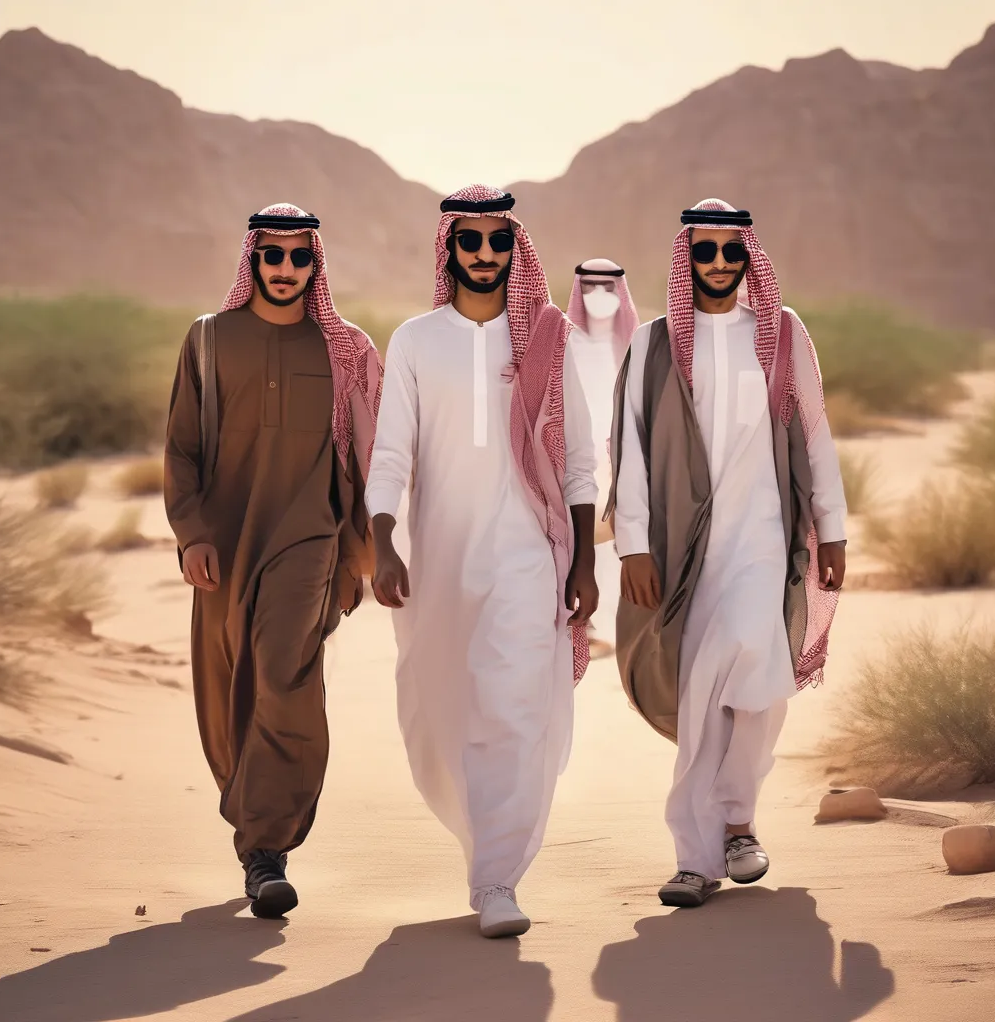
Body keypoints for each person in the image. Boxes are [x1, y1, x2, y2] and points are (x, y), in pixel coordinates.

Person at [365, 185, 598, 938]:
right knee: (440, 714)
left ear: (514, 249)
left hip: (530, 552)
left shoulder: (547, 341)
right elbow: (391, 452)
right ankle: (480, 845)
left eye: (500, 242)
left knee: (512, 704)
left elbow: (582, 462)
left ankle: (496, 878)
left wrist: (585, 562)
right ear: (450, 249)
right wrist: (382, 541)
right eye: (471, 242)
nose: (486, 255)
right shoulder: (414, 340)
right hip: (437, 562)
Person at [607, 198, 847, 908]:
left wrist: (831, 529)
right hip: (682, 547)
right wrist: (631, 547)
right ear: (686, 260)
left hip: (763, 536)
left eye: (730, 252)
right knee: (701, 692)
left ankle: (736, 820)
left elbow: (814, 431)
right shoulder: (652, 343)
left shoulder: (779, 332)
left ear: (748, 258)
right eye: (703, 253)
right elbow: (630, 451)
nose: (718, 264)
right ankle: (699, 852)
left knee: (755, 672)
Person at [164, 204, 382, 918]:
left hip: (309, 541)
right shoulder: (206, 340)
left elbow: (367, 459)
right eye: (273, 256)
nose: (286, 269)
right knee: (231, 693)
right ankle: (253, 816)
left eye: (300, 258)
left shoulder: (345, 348)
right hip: (224, 548)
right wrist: (192, 531)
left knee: (285, 679)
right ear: (252, 260)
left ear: (316, 265)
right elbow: (183, 448)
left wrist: (361, 555)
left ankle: (267, 851)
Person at [565, 259, 639, 657]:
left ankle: (616, 628)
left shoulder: (635, 343)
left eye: (607, 287)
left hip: (622, 460)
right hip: (575, 463)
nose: (598, 296)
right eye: (589, 287)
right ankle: (584, 627)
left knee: (619, 543)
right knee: (580, 542)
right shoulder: (564, 342)